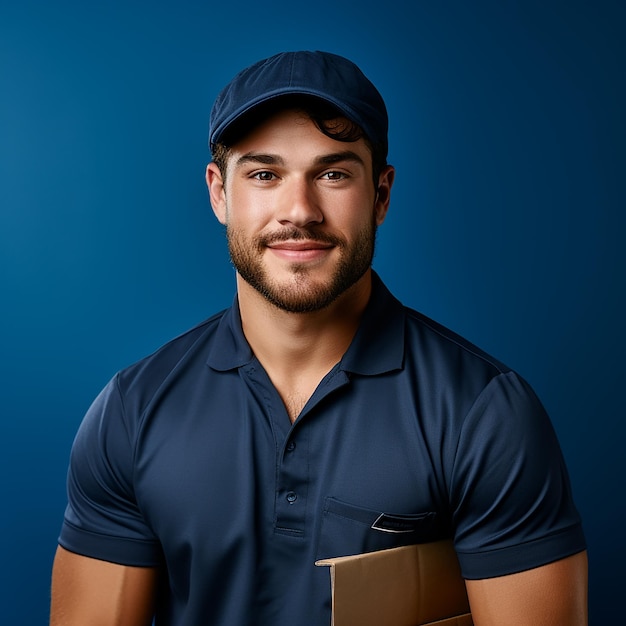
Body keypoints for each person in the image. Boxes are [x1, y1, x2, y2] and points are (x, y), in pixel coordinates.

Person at [50, 51, 588, 625]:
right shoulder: (133, 412)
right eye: (264, 174)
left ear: (381, 195)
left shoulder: (485, 414)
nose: (299, 211)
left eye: (333, 174)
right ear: (218, 192)